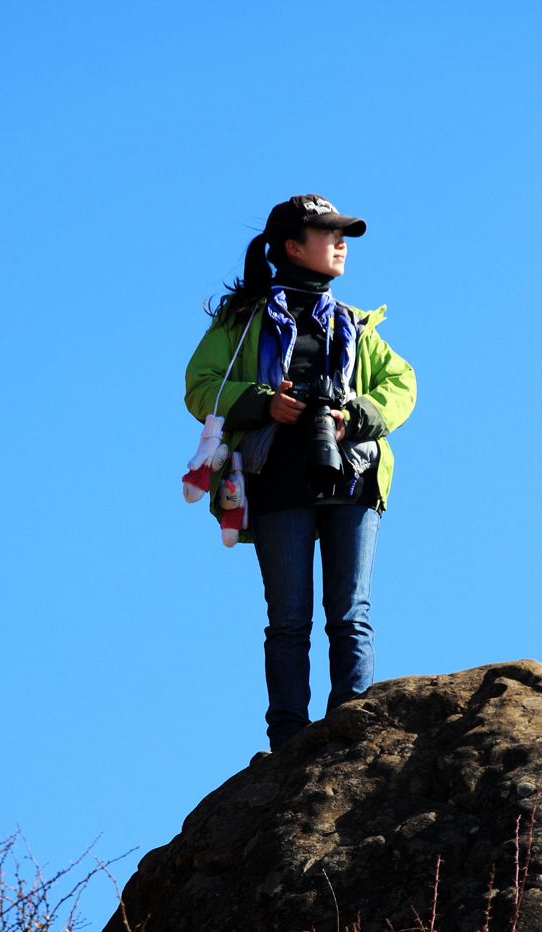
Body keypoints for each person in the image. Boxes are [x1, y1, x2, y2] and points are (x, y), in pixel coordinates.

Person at [184, 194, 416, 752]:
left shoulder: (354, 325)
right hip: (275, 476)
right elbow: (200, 383)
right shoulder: (244, 322)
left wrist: (351, 415)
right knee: (288, 620)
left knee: (350, 611)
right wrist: (266, 403)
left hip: (350, 472)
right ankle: (288, 738)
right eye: (329, 234)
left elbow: (402, 385)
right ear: (292, 247)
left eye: (343, 235)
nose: (341, 244)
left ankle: (352, 723)